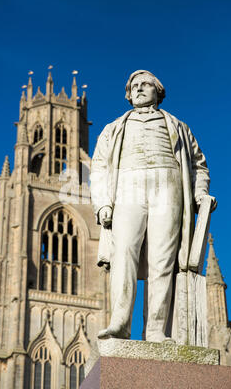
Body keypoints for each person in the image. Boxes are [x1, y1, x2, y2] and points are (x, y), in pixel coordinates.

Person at [90, 70, 217, 342]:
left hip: (168, 185)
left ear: (158, 91)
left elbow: (199, 165)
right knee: (124, 254)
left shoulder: (179, 127)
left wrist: (199, 194)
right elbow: (98, 168)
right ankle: (120, 323)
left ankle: (156, 331)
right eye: (133, 86)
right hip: (127, 185)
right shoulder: (112, 129)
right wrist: (102, 204)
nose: (138, 89)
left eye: (145, 84)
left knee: (163, 260)